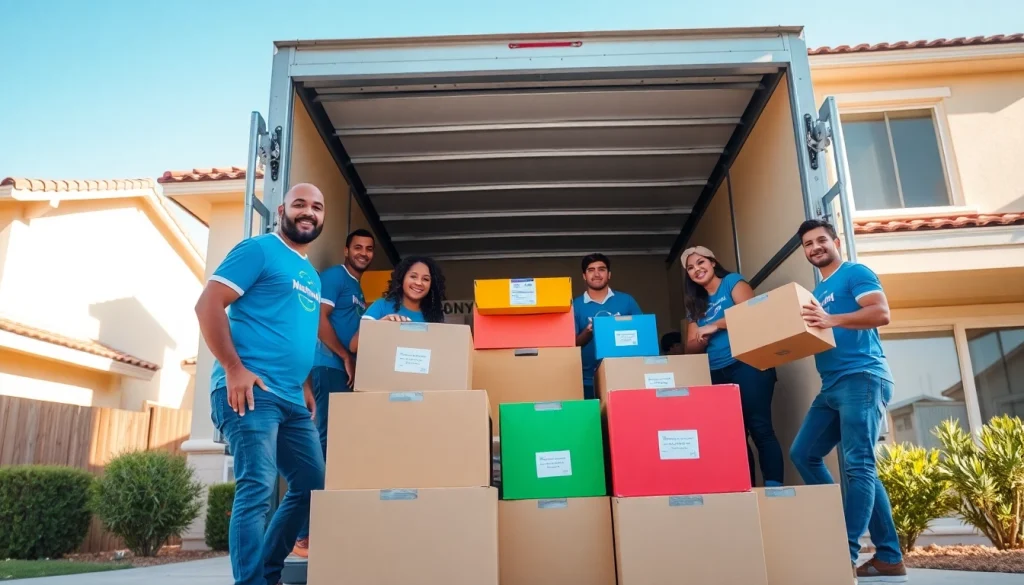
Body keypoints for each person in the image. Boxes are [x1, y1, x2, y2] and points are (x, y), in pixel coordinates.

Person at [194, 183, 327, 585]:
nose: (309, 212)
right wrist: (233, 368)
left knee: (311, 485)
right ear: (282, 209)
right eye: (300, 204)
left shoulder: (310, 275)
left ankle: (268, 574)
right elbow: (208, 304)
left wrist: (305, 384)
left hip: (291, 398)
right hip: (250, 391)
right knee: (257, 486)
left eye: (317, 207)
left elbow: (299, 333)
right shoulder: (259, 250)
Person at [790, 219, 906, 583]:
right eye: (808, 244)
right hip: (832, 386)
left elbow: (880, 313)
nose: (815, 248)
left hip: (862, 377)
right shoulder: (816, 290)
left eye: (821, 240)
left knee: (859, 466)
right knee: (804, 453)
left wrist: (830, 318)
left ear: (835, 241)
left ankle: (845, 551)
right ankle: (888, 556)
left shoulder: (855, 272)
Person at [291, 228, 375, 558]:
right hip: (327, 367)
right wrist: (343, 355)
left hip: (342, 372)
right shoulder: (334, 277)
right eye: (358, 247)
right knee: (321, 449)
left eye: (369, 249)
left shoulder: (357, 288)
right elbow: (318, 320)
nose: (364, 253)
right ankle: (302, 535)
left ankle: (321, 528)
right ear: (345, 250)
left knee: (337, 451)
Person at [681, 245, 784, 488]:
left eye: (700, 263)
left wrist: (714, 325)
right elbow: (690, 349)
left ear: (713, 262)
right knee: (734, 436)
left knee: (760, 428)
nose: (697, 270)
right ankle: (745, 490)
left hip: (747, 363)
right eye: (691, 268)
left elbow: (752, 313)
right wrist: (699, 339)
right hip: (716, 372)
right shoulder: (695, 304)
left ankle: (774, 490)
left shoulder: (732, 283)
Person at [572, 253, 642, 400]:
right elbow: (571, 346)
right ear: (584, 276)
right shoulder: (575, 306)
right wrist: (588, 332)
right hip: (586, 381)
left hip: (625, 376)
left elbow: (643, 334)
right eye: (591, 270)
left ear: (609, 274)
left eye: (601, 269)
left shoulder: (626, 301)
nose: (597, 274)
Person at [352, 256, 448, 341]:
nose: (419, 283)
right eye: (413, 276)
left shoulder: (434, 316)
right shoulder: (381, 305)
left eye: (425, 279)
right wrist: (380, 325)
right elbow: (354, 346)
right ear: (402, 278)